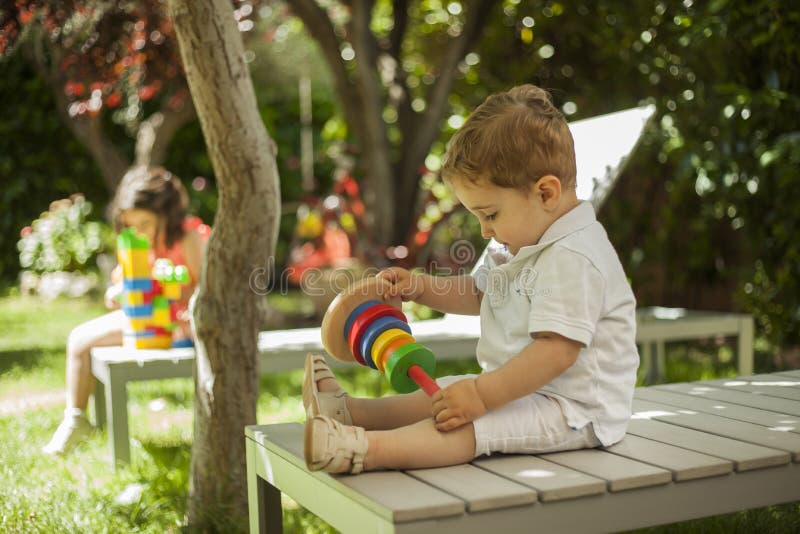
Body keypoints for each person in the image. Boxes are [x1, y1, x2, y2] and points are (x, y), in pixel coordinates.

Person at [302, 84, 639, 474]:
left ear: (546, 193)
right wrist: (419, 287)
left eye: (490, 215)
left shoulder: (574, 255)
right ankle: (348, 413)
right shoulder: (524, 238)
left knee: (467, 422)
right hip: (520, 389)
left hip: (574, 409)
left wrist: (481, 395)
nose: (484, 231)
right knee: (447, 392)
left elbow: (556, 352)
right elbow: (481, 294)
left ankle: (362, 449)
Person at [42, 166, 207, 456]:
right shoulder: (136, 244)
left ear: (166, 215)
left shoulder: (188, 238)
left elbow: (206, 287)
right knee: (79, 339)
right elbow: (122, 281)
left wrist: (186, 304)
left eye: (145, 223)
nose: (139, 231)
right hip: (144, 321)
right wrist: (116, 292)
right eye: (132, 225)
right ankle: (75, 419)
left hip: (178, 324)